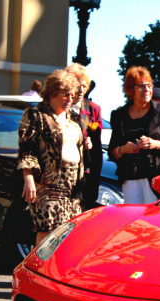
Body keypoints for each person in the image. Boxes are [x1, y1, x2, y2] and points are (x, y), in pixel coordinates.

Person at [17, 70, 84, 247]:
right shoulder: (36, 116)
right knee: (47, 230)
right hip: (48, 183)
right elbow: (26, 150)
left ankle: (57, 273)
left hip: (72, 185)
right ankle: (39, 270)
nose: (70, 99)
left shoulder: (73, 119)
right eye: (65, 94)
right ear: (52, 93)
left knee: (68, 232)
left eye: (72, 95)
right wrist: (28, 178)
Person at [108, 66, 160, 204]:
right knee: (133, 219)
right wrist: (124, 149)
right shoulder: (119, 115)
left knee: (155, 221)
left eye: (149, 85)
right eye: (141, 86)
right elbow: (112, 152)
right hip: (130, 178)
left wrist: (156, 144)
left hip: (156, 177)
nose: (147, 89)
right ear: (131, 89)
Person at [65, 63, 103, 207]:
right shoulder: (61, 107)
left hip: (86, 172)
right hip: (64, 173)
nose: (81, 90)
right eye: (77, 85)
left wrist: (95, 182)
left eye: (85, 86)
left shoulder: (93, 109)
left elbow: (97, 150)